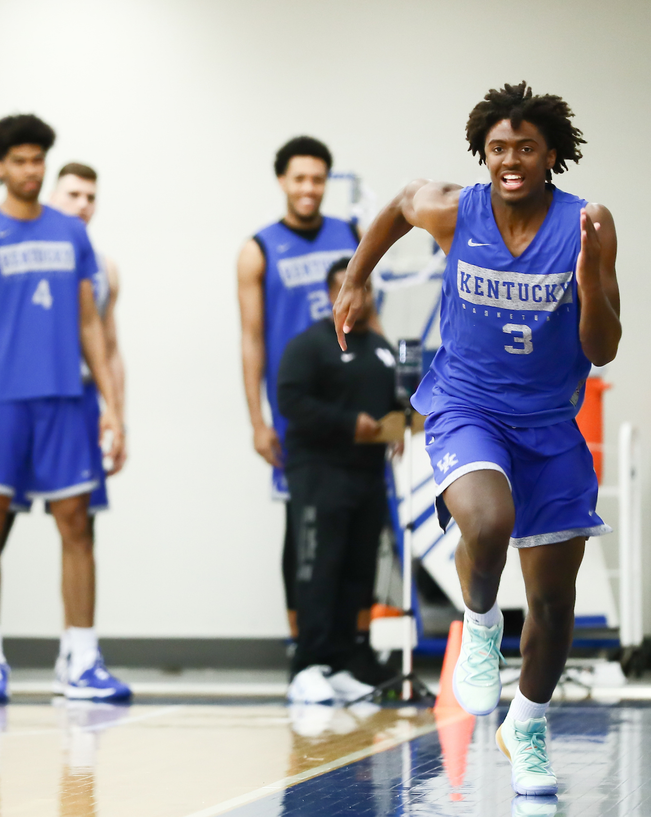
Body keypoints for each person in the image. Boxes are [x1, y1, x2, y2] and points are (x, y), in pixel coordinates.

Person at [333, 82, 620, 796]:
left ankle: (527, 724)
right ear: (482, 154)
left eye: (525, 147)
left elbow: (604, 346)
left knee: (555, 605)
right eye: (498, 148)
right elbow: (401, 203)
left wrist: (590, 285)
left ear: (550, 152)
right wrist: (356, 279)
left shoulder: (587, 223)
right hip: (467, 405)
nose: (511, 160)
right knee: (488, 521)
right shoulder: (454, 210)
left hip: (551, 424)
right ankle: (483, 624)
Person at [0, 115, 126, 703]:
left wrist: (111, 406)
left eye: (37, 159)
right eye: (19, 160)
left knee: (77, 524)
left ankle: (80, 658)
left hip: (65, 402)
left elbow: (89, 325)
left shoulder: (72, 235)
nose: (30, 170)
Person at [237, 137, 362, 644]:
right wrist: (257, 421)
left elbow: (369, 315)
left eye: (317, 179)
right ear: (282, 181)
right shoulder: (258, 249)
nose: (309, 188)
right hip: (299, 409)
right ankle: (304, 647)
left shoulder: (351, 234)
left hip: (353, 403)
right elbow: (251, 339)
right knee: (305, 527)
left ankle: (351, 648)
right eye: (299, 178)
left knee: (358, 523)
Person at [277, 258, 403, 704]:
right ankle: (307, 664)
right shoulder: (310, 345)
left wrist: (399, 426)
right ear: (334, 293)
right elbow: (290, 402)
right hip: (320, 473)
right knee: (318, 568)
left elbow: (397, 400)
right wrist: (352, 424)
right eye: (350, 288)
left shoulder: (381, 348)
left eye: (366, 289)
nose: (358, 297)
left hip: (367, 477)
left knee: (357, 569)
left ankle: (341, 662)